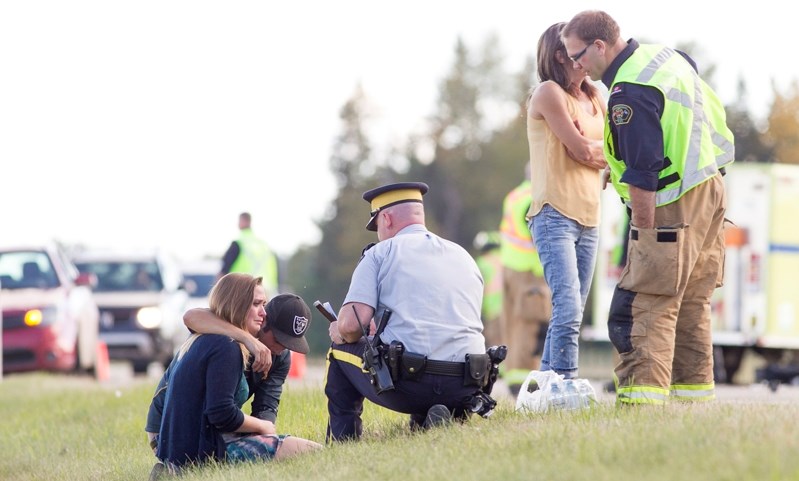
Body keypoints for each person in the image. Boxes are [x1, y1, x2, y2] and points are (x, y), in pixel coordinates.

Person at [562, 10, 734, 404]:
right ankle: (693, 398)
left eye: (578, 55)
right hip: (710, 189)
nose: (576, 65)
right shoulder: (667, 58)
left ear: (600, 46)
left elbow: (643, 170)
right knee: (692, 301)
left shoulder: (629, 92)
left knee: (646, 301)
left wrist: (643, 234)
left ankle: (641, 401)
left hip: (671, 202)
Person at [325, 182, 501, 442]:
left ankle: (344, 440)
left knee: (338, 352)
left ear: (385, 218)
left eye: (377, 227)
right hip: (467, 384)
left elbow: (352, 326)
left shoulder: (379, 254)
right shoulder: (464, 256)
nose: (378, 235)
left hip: (410, 385)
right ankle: (437, 420)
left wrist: (339, 330)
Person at [146, 274, 321, 476]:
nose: (283, 348)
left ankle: (174, 467)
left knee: (283, 446)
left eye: (291, 343)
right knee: (307, 451)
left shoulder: (278, 356)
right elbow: (221, 413)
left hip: (197, 433)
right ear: (266, 323)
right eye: (280, 338)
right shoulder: (223, 342)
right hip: (171, 431)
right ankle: (174, 469)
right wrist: (246, 338)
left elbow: (266, 404)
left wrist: (262, 432)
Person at [526, 22, 607, 380]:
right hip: (553, 214)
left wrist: (600, 155)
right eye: (576, 51)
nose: (584, 57)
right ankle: (565, 384)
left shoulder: (595, 97)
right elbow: (578, 149)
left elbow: (602, 151)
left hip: (590, 216)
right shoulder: (548, 93)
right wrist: (607, 156)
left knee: (572, 310)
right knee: (568, 308)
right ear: (560, 55)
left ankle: (546, 389)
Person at [498, 165, 551, 391]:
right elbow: (536, 232)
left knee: (512, 321)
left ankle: (513, 374)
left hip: (511, 264)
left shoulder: (515, 194)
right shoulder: (534, 198)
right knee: (529, 324)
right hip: (529, 269)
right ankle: (523, 377)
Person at [220, 212, 279, 297]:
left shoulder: (239, 242)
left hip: (243, 289)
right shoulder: (264, 245)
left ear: (243, 221)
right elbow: (273, 268)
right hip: (265, 289)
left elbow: (224, 269)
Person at [473, 231, 503, 347]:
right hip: (509, 309)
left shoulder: (482, 263)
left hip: (492, 310)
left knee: (495, 344)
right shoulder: (504, 260)